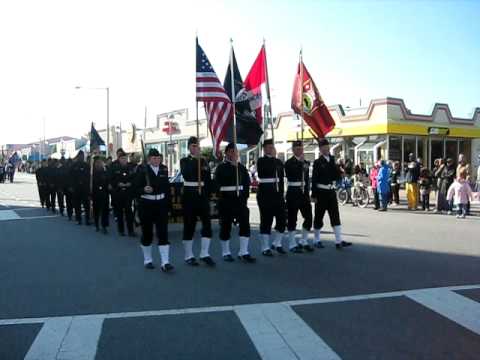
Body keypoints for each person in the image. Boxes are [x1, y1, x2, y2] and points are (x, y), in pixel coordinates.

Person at [214, 143, 256, 263]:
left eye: (235, 151)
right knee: (226, 227)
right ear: (227, 153)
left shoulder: (241, 168)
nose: (234, 154)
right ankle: (226, 252)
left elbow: (247, 184)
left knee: (245, 225)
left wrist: (244, 198)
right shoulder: (221, 168)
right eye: (231, 151)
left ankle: (244, 252)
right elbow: (217, 185)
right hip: (226, 201)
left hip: (240, 202)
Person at [135, 148, 173, 271]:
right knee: (147, 233)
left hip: (161, 204)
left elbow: (167, 188)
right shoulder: (141, 170)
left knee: (163, 233)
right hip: (147, 204)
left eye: (158, 158)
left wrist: (169, 206)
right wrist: (143, 190)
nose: (157, 160)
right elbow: (134, 188)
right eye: (154, 158)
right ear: (149, 159)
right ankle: (148, 259)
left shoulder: (164, 169)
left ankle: (165, 262)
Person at [180, 136, 215, 267]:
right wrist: (196, 160)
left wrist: (209, 193)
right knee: (190, 225)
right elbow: (187, 173)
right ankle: (189, 255)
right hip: (190, 195)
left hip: (202, 196)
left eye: (197, 146)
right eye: (194, 146)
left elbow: (207, 177)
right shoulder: (184, 160)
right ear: (189, 147)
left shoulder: (204, 161)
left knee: (207, 224)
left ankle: (205, 254)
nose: (196, 148)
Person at [311, 138, 351, 249]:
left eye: (327, 147)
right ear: (320, 149)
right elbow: (314, 179)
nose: (326, 149)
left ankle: (338, 241)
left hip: (331, 192)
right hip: (321, 192)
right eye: (324, 148)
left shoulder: (332, 160)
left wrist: (340, 173)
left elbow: (334, 175)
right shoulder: (318, 162)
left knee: (335, 216)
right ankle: (316, 239)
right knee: (319, 216)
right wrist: (313, 195)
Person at [256, 139, 287, 256]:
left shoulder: (278, 162)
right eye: (268, 147)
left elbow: (281, 179)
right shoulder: (261, 161)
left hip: (277, 194)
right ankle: (265, 247)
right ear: (264, 148)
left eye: (272, 147)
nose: (270, 149)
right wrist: (273, 159)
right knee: (266, 221)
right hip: (265, 194)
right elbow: (264, 172)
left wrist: (282, 193)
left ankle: (277, 243)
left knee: (282, 219)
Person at [284, 140, 314, 253]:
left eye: (301, 149)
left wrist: (308, 193)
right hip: (293, 192)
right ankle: (292, 244)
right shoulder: (288, 163)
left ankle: (303, 241)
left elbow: (306, 178)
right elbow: (293, 173)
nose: (300, 151)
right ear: (293, 150)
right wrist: (300, 163)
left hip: (303, 193)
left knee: (309, 217)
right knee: (292, 219)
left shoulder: (306, 162)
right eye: (297, 149)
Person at [109, 149, 135, 236]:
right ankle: (121, 230)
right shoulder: (114, 167)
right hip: (118, 193)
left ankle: (131, 231)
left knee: (129, 213)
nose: (124, 160)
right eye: (122, 158)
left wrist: (130, 183)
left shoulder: (130, 167)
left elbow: (135, 178)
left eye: (125, 158)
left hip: (128, 193)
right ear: (119, 159)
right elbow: (111, 179)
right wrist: (117, 184)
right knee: (119, 213)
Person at [70, 150, 91, 225]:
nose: (81, 157)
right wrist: (72, 186)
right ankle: (78, 219)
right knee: (77, 204)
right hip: (76, 188)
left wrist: (89, 187)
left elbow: (89, 177)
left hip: (85, 188)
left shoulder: (87, 166)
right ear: (78, 157)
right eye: (80, 156)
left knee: (86, 205)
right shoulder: (74, 166)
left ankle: (87, 219)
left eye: (82, 156)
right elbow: (70, 177)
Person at [91, 157, 110, 234]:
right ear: (94, 164)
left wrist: (109, 185)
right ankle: (96, 224)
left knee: (105, 210)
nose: (99, 164)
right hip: (95, 194)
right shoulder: (92, 173)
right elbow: (90, 184)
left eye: (100, 162)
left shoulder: (105, 171)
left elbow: (108, 180)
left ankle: (104, 226)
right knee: (96, 210)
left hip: (104, 193)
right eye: (97, 163)